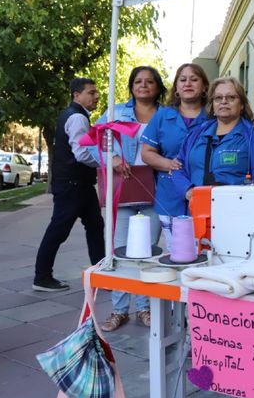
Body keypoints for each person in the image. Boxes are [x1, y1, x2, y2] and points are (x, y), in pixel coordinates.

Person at [97, 66, 166, 331]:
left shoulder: (166, 115)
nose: (143, 85)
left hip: (155, 188)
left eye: (150, 81)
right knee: (119, 251)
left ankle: (145, 308)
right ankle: (119, 310)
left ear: (158, 87)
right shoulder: (116, 112)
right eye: (138, 81)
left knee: (148, 251)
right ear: (131, 86)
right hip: (123, 188)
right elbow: (97, 140)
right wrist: (111, 158)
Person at [33, 78, 104, 292]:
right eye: (91, 92)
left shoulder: (74, 115)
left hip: (78, 184)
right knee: (59, 230)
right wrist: (108, 162)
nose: (96, 96)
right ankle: (42, 277)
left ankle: (100, 273)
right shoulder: (77, 118)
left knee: (95, 226)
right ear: (76, 95)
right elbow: (81, 153)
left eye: (96, 92)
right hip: (73, 185)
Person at [141, 63, 210, 245]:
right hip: (169, 195)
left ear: (204, 87)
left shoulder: (213, 116)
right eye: (183, 79)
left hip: (205, 193)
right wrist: (168, 164)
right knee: (177, 252)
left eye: (194, 79)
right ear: (177, 88)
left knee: (206, 249)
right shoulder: (163, 116)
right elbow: (147, 153)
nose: (188, 83)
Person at [175, 77, 254, 196]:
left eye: (231, 97)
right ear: (212, 105)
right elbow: (177, 167)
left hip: (239, 211)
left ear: (242, 105)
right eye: (218, 98)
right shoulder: (196, 135)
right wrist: (187, 190)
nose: (224, 101)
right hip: (198, 209)